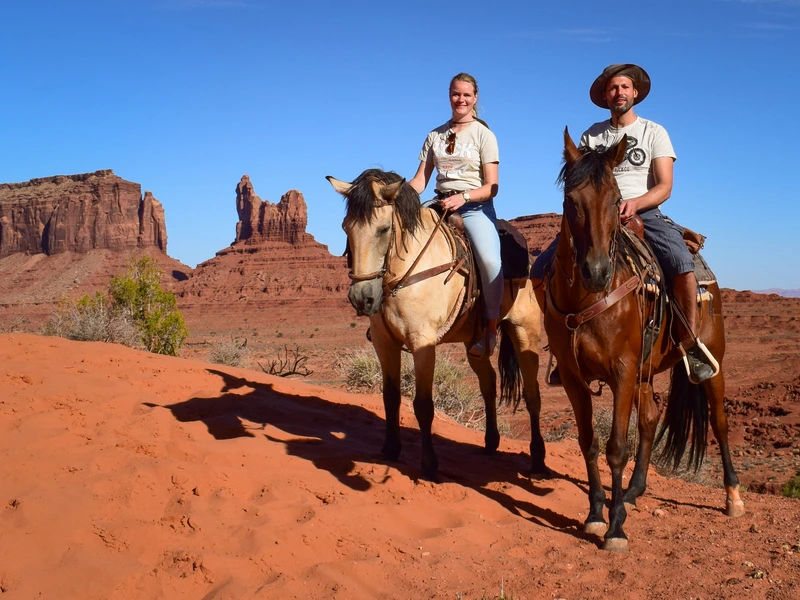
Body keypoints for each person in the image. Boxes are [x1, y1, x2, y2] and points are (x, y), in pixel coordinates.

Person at [531, 63, 717, 383]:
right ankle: (563, 345)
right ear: (606, 95)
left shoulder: (653, 132)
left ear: (635, 93)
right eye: (613, 88)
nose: (619, 93)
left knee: (682, 264)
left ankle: (689, 343)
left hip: (643, 212)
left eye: (625, 87)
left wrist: (635, 203)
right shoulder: (592, 134)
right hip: (598, 215)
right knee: (541, 270)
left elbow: (664, 186)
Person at [408, 72, 502, 358]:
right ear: (449, 95)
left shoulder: (483, 134)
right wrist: (396, 192)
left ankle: (490, 329)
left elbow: (492, 187)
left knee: (489, 261)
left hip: (474, 207)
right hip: (438, 204)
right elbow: (420, 182)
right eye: (455, 94)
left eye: (466, 95)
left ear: (475, 98)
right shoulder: (434, 135)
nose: (460, 99)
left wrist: (463, 197)